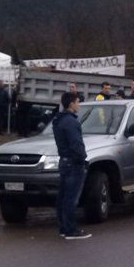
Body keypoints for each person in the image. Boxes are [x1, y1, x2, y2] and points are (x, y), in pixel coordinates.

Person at [52, 92, 91, 239]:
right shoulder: (71, 122)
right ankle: (70, 229)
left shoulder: (58, 120)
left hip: (64, 161)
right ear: (71, 104)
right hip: (74, 163)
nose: (78, 105)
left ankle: (63, 227)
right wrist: (83, 158)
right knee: (71, 198)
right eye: (77, 102)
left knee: (63, 196)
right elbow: (76, 144)